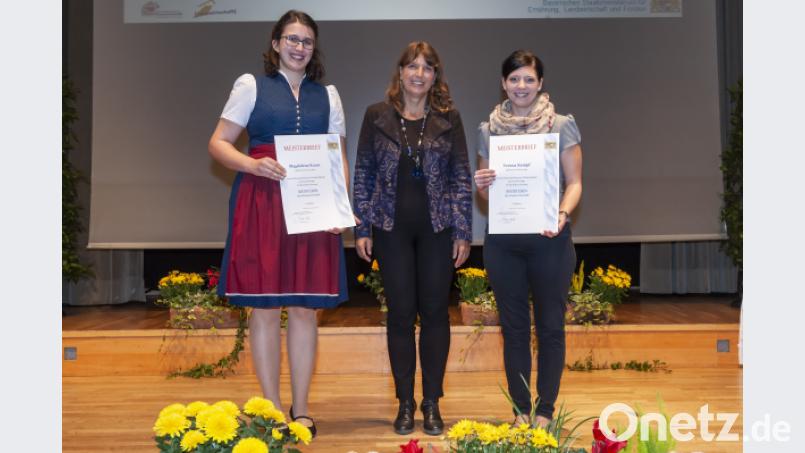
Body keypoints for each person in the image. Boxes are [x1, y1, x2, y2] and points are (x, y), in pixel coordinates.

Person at [207, 10, 350, 438]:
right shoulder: (250, 86)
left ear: (313, 47)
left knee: (305, 309)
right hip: (262, 202)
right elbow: (217, 143)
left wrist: (339, 209)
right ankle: (269, 410)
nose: (299, 47)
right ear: (275, 43)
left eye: (306, 41)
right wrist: (252, 165)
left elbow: (337, 157)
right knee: (265, 309)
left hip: (312, 207)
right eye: (291, 39)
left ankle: (301, 407)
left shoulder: (329, 95)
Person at [353, 41, 472, 436]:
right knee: (401, 316)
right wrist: (362, 227)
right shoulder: (377, 116)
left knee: (436, 314)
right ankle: (405, 402)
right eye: (412, 66)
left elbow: (460, 177)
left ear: (435, 76)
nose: (419, 73)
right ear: (400, 73)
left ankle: (432, 402)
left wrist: (463, 232)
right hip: (390, 229)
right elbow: (364, 173)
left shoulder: (448, 119)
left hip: (438, 230)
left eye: (427, 67)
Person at [473, 50, 582, 428]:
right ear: (504, 83)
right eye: (514, 79)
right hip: (504, 243)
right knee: (514, 331)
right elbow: (488, 193)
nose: (522, 86)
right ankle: (521, 411)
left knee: (551, 327)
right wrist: (481, 183)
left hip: (550, 241)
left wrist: (563, 214)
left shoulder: (561, 125)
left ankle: (546, 412)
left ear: (540, 83)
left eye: (529, 79)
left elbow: (576, 183)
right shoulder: (487, 130)